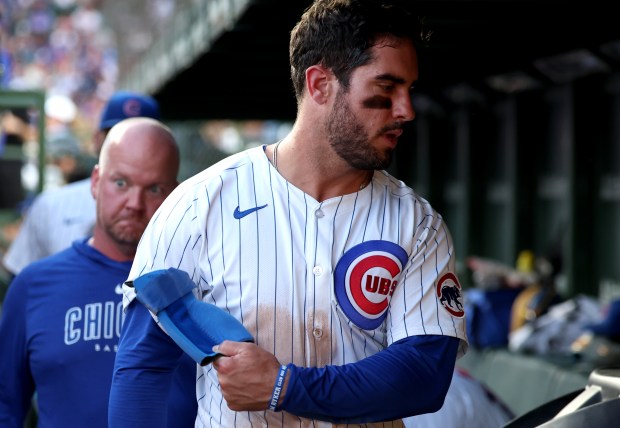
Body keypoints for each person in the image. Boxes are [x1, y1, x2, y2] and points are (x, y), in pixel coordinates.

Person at [109, 0, 468, 426]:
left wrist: (285, 386)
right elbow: (143, 367)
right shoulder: (198, 204)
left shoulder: (416, 223)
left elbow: (425, 374)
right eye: (387, 88)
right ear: (319, 85)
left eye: (409, 89)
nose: (405, 109)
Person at [0, 117, 197, 428]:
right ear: (95, 181)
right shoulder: (34, 285)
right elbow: (5, 407)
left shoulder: (198, 287)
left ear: (174, 193)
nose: (134, 203)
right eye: (121, 183)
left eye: (154, 188)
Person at [2, 90, 161, 279]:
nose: (129, 146)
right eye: (116, 135)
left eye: (141, 137)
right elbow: (20, 280)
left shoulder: (178, 205)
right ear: (96, 140)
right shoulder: (51, 205)